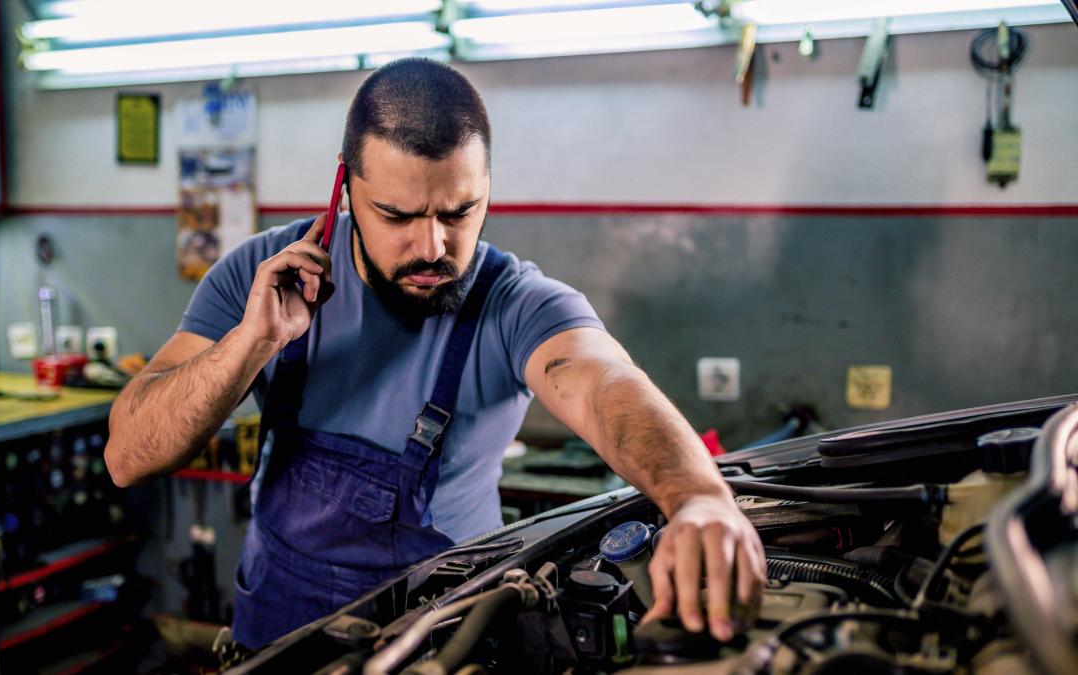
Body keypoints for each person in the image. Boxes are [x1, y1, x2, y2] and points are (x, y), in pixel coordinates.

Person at [105, 58, 765, 650]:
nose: (433, 246)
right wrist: (250, 344)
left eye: (459, 210)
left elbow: (605, 382)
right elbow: (128, 454)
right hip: (279, 640)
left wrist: (699, 496)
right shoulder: (258, 275)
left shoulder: (513, 302)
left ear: (486, 186)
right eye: (397, 215)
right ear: (345, 189)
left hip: (448, 645)